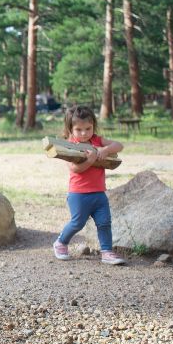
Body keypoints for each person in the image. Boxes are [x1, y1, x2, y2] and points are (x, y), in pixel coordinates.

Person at [53, 105, 126, 265]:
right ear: (70, 129)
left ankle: (106, 252)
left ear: (94, 125)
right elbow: (75, 169)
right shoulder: (69, 146)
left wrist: (106, 150)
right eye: (79, 129)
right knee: (77, 223)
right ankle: (60, 243)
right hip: (78, 194)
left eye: (88, 128)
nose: (84, 133)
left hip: (99, 193)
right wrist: (90, 160)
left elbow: (119, 145)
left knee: (104, 223)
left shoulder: (98, 141)